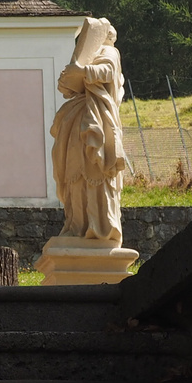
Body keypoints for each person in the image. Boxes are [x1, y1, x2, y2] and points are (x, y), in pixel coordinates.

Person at [50, 17, 127, 244]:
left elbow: (107, 71)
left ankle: (99, 226)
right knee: (75, 175)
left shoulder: (109, 51)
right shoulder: (94, 53)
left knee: (95, 170)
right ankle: (77, 224)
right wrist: (69, 79)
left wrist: (83, 71)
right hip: (80, 115)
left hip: (96, 118)